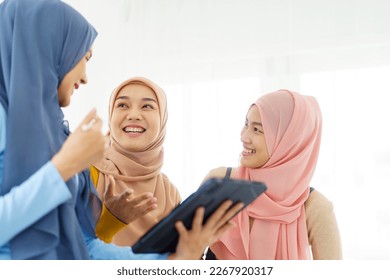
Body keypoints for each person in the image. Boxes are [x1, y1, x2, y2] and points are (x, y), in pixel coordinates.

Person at [0, 0, 242, 260]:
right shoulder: (71, 156)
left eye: (148, 107)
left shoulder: (53, 134)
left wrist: (173, 261)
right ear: (49, 49)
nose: (84, 76)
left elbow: (84, 249)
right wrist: (63, 168)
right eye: (83, 58)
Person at [203, 89, 342, 260]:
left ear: (288, 141)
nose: (243, 136)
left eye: (257, 130)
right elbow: (183, 257)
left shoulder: (315, 208)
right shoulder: (219, 183)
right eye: (246, 124)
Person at [91, 77, 181, 246]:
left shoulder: (170, 193)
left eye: (147, 106)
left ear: (162, 119)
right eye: (122, 105)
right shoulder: (85, 174)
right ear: (110, 116)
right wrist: (109, 223)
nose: (133, 115)